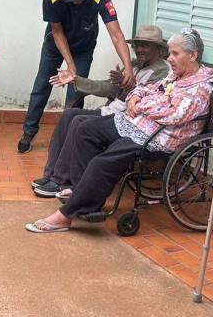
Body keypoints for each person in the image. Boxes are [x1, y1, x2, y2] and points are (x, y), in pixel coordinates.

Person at [25, 28, 213, 233]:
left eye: (175, 54)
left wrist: (139, 104)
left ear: (192, 55)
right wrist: (135, 97)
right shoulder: (175, 76)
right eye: (169, 53)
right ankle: (84, 196)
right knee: (85, 129)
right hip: (137, 123)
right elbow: (146, 89)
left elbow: (174, 114)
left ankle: (65, 216)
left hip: (159, 138)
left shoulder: (200, 88)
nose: (169, 58)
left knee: (102, 161)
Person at [31, 24, 170, 198]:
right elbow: (107, 87)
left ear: (158, 48)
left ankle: (62, 181)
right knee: (68, 115)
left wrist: (128, 85)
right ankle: (51, 174)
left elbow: (148, 100)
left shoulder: (163, 72)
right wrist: (76, 80)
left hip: (128, 120)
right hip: (109, 112)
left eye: (145, 45)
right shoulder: (134, 65)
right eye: (137, 45)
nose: (139, 49)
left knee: (78, 121)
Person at [18, 0, 136, 154]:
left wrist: (128, 67)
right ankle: (28, 133)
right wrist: (70, 64)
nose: (76, 1)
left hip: (83, 46)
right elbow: (57, 31)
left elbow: (116, 34)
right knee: (42, 85)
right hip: (55, 45)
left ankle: (67, 138)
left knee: (77, 90)